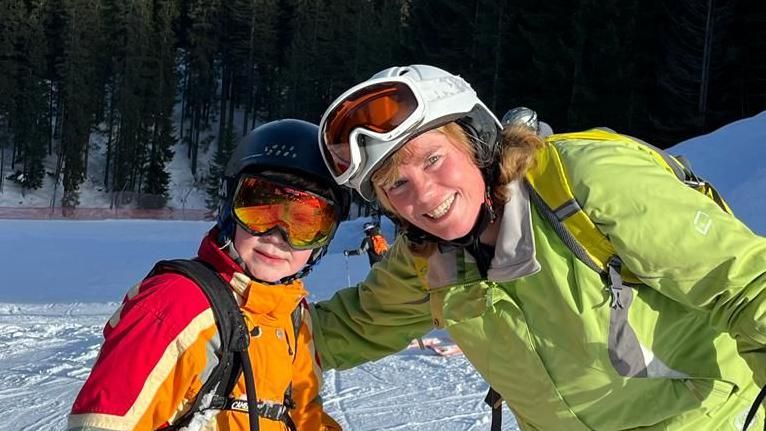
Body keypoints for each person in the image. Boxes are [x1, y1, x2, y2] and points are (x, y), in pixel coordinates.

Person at [309, 64, 766, 430]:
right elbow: (349, 329)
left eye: (433, 159)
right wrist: (242, 333)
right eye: (397, 185)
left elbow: (749, 286)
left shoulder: (586, 182)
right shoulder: (429, 260)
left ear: (476, 140)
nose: (424, 196)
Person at [68, 119, 347, 431]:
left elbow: (305, 417)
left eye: (305, 224)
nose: (277, 236)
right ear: (229, 207)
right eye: (260, 210)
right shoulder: (175, 303)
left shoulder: (294, 315)